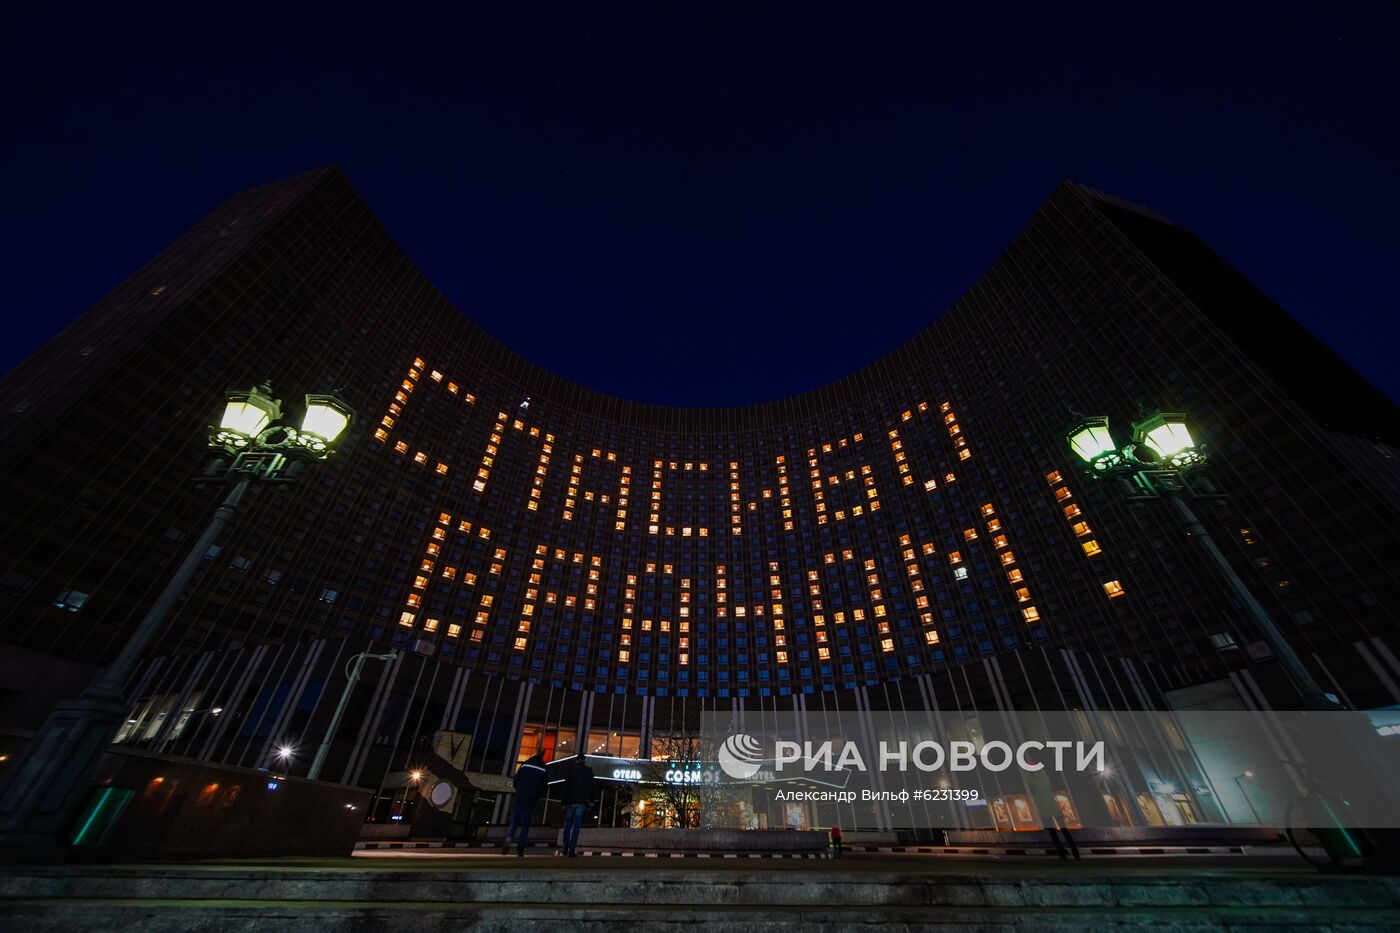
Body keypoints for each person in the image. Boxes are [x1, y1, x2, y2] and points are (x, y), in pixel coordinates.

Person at [505, 751, 548, 856]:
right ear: (542, 756)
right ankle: (520, 848)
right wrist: (537, 795)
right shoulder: (543, 767)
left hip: (521, 796)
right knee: (526, 824)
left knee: (515, 820)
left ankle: (509, 836)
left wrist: (519, 790)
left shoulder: (525, 764)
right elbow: (544, 785)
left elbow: (516, 779)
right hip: (532, 798)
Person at [560, 756, 595, 857]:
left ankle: (565, 848)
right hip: (581, 801)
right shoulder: (588, 771)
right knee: (576, 826)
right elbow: (592, 786)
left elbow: (566, 786)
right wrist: (592, 799)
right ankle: (572, 849)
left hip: (570, 801)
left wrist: (563, 802)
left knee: (567, 825)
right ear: (584, 761)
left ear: (577, 761)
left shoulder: (571, 770)